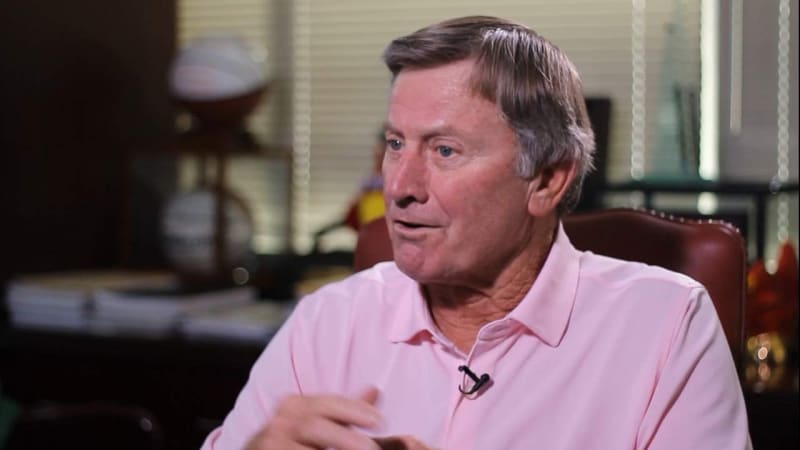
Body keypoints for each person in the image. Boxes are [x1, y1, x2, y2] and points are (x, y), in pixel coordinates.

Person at [203, 16, 751, 450]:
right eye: (397, 144)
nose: (401, 186)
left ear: (547, 178)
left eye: (445, 150)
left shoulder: (664, 326)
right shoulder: (329, 322)